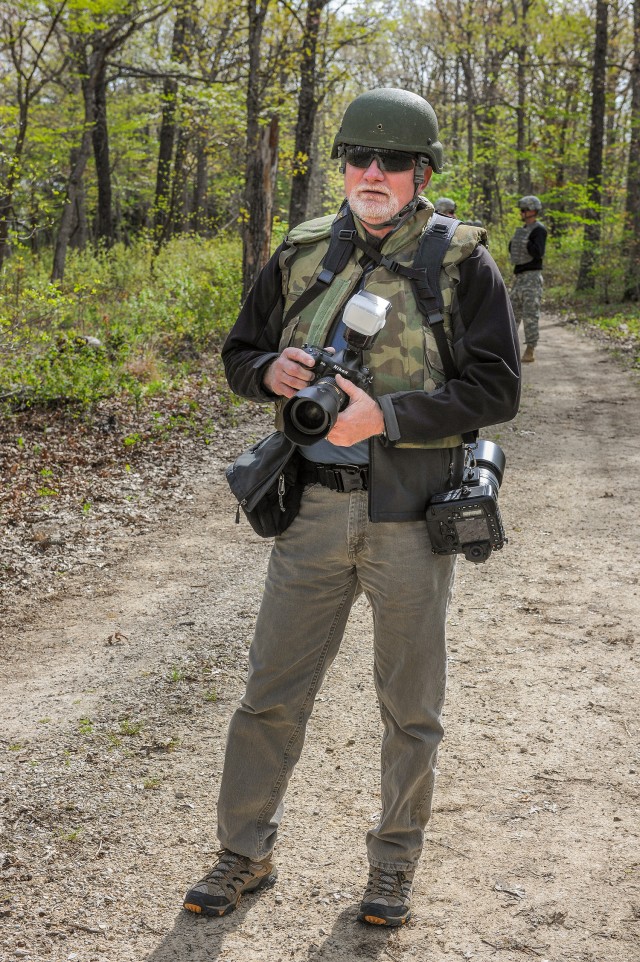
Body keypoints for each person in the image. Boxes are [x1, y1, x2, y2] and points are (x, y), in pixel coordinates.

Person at [183, 87, 520, 927]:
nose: (371, 173)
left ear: (422, 171)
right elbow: (238, 354)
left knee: (411, 707)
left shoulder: (463, 262)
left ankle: (394, 863)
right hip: (312, 514)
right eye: (358, 159)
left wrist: (391, 417)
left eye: (392, 161)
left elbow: (497, 387)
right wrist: (271, 373)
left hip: (412, 516)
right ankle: (243, 852)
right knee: (270, 692)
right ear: (342, 166)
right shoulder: (301, 254)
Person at [508, 195, 547, 363]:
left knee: (530, 315)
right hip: (518, 278)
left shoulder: (539, 230)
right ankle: (508, 348)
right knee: (510, 314)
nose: (521, 213)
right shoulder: (522, 229)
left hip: (532, 278)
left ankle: (530, 349)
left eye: (524, 210)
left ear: (533, 211)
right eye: (521, 210)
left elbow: (538, 252)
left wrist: (525, 242)